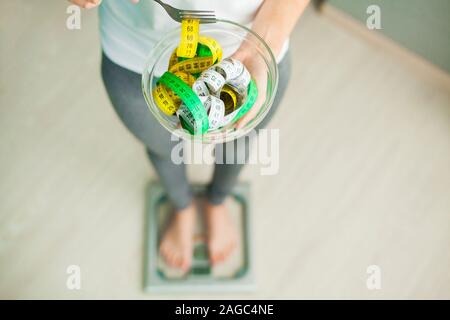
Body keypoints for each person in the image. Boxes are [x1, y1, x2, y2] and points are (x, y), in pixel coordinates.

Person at [70, 0, 310, 272]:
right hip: (136, 50)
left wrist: (261, 46)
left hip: (257, 43)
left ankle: (218, 200)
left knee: (239, 143)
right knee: (162, 148)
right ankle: (182, 206)